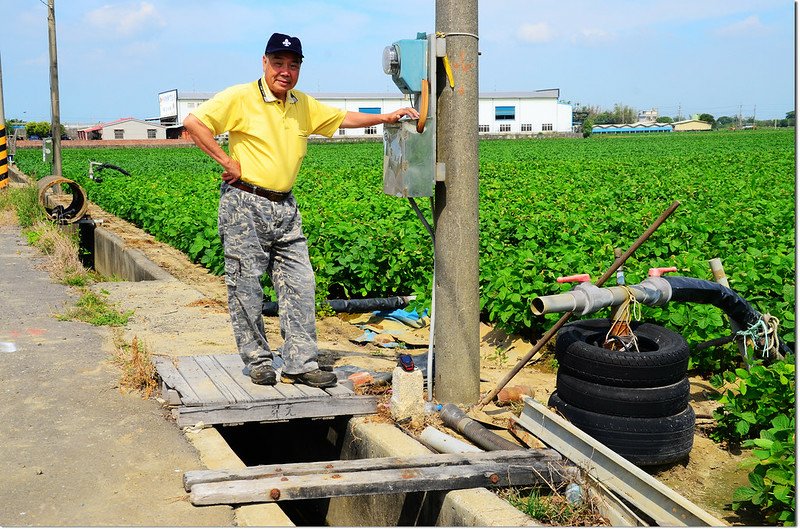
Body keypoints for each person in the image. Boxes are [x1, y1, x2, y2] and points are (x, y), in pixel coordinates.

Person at [184, 33, 419, 388]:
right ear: (265, 63)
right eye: (278, 63)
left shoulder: (301, 104)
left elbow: (341, 118)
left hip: (285, 206)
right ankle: (258, 359)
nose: (285, 71)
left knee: (300, 282)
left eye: (293, 65)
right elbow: (194, 123)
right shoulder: (240, 97)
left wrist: (386, 116)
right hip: (245, 204)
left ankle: (300, 362)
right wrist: (225, 160)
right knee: (246, 284)